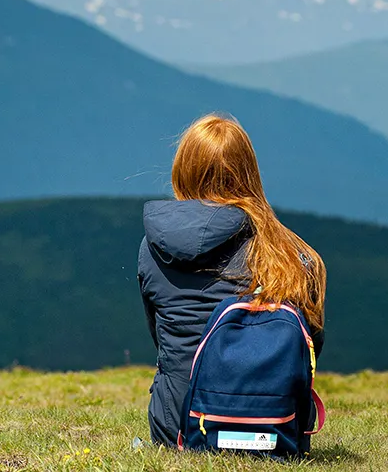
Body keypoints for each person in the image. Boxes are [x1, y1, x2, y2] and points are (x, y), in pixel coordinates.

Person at [136, 113, 327, 448]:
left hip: (177, 427)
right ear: (249, 172)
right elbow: (310, 347)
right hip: (270, 428)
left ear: (183, 169)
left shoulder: (153, 248)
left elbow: (162, 342)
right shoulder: (288, 253)